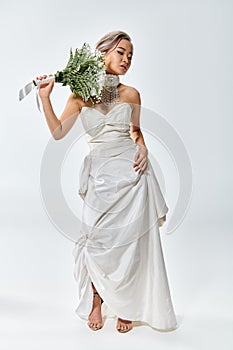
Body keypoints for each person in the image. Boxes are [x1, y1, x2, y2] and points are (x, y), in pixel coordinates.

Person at [37, 30, 178, 333]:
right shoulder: (79, 94)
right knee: (98, 241)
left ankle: (128, 304)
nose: (126, 59)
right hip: (99, 175)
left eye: (130, 55)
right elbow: (58, 134)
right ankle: (97, 300)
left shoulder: (131, 94)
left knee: (129, 243)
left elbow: (136, 132)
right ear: (102, 53)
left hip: (131, 173)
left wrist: (143, 146)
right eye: (120, 52)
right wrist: (45, 98)